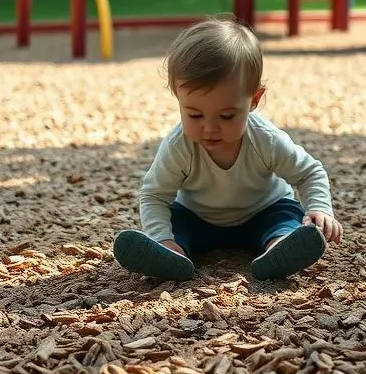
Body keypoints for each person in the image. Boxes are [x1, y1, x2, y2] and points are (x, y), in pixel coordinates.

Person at [112, 16, 343, 281]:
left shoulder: (265, 139)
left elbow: (308, 172)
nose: (210, 128)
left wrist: (320, 208)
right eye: (195, 116)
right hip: (196, 216)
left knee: (286, 217)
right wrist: (160, 235)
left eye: (226, 116)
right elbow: (154, 195)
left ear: (253, 100)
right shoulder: (179, 145)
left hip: (262, 211)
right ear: (178, 97)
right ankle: (168, 252)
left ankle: (280, 249)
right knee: (175, 222)